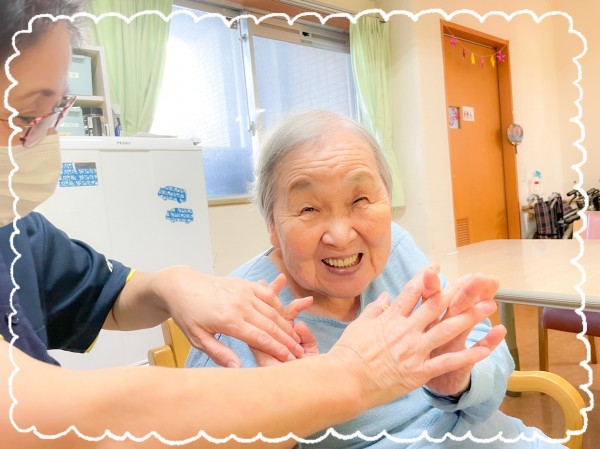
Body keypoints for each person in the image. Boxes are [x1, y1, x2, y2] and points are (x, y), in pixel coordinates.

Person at [0, 1, 507, 447]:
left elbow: (105, 294)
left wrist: (168, 283)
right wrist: (332, 386)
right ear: (271, 224)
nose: (341, 233)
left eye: (54, 111)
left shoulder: (18, 235)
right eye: (26, 116)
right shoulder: (248, 322)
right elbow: (71, 426)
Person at [186, 110, 567, 449]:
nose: (341, 236)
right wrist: (297, 407)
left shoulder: (393, 248)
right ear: (272, 225)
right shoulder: (238, 320)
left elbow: (481, 349)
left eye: (360, 200)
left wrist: (460, 380)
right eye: (309, 208)